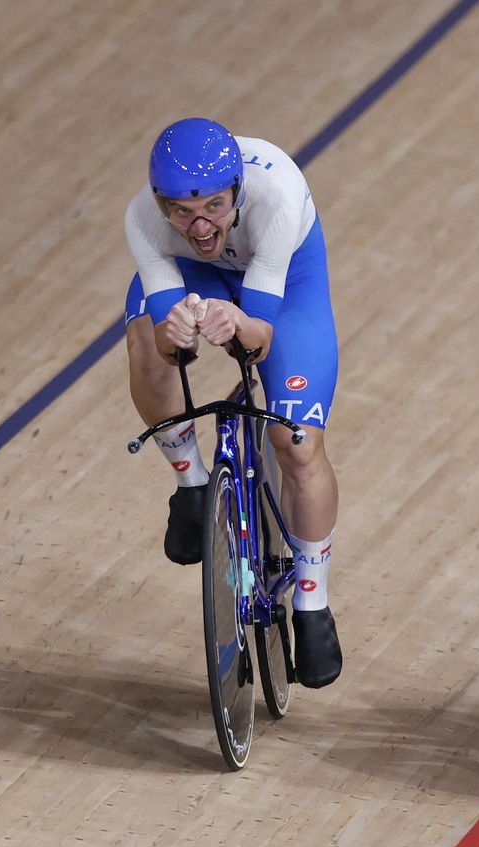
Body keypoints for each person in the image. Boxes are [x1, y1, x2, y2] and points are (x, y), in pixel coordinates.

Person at [123, 117, 343, 688]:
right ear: (159, 203)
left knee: (295, 443)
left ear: (238, 191)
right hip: (198, 280)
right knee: (146, 342)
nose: (199, 225)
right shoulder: (144, 221)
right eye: (181, 212)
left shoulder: (276, 195)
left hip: (284, 284)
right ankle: (192, 481)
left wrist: (239, 321)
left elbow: (260, 337)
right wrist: (174, 331)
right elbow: (172, 356)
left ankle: (313, 600)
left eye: (216, 207)